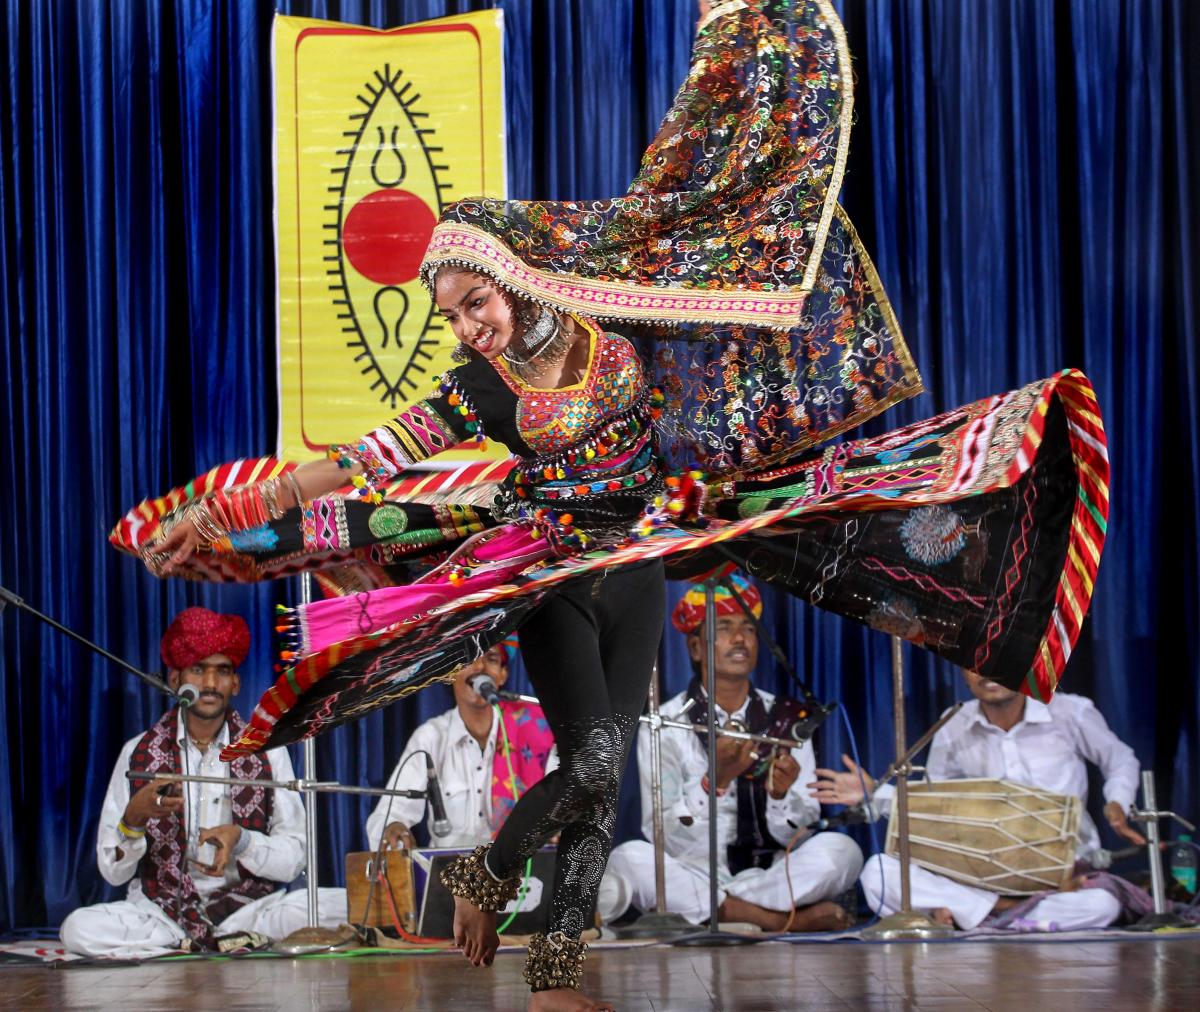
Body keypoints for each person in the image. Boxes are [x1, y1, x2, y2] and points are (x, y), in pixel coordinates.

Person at [111, 3, 1111, 1008]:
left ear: (507, 270)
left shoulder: (610, 311)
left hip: (635, 559)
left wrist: (735, 46)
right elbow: (369, 458)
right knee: (589, 763)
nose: (469, 326)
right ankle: (522, 917)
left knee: (600, 774)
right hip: (547, 570)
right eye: (452, 315)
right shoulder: (477, 387)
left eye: (476, 303)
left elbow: (683, 188)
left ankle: (544, 958)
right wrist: (243, 508)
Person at [59, 607, 345, 958]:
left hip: (251, 910)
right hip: (162, 913)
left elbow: (295, 859)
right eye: (198, 669)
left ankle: (195, 945)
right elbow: (112, 874)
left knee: (344, 904)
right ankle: (197, 941)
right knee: (78, 929)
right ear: (176, 679)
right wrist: (132, 820)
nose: (210, 684)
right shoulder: (137, 754)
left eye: (222, 671)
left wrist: (242, 842)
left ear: (235, 683)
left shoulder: (267, 751)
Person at [603, 573, 862, 931]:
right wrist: (715, 781)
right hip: (693, 872)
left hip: (770, 875)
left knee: (842, 851)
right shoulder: (664, 724)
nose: (739, 639)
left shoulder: (789, 720)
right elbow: (660, 832)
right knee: (628, 859)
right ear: (696, 647)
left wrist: (780, 796)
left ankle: (722, 912)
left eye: (749, 629)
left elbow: (801, 829)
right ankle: (779, 920)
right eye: (723, 627)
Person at [810, 669, 1144, 932]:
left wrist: (1116, 803)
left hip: (1062, 872)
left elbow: (1121, 759)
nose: (989, 672)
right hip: (979, 875)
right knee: (878, 873)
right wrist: (877, 795)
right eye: (976, 662)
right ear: (962, 672)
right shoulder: (954, 724)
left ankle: (972, 915)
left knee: (1103, 904)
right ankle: (1007, 912)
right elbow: (933, 808)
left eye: (1001, 659)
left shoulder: (1070, 711)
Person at [366, 641, 554, 851]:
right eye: (468, 659)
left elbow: (563, 802)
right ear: (450, 674)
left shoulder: (534, 731)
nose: (479, 667)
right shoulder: (431, 738)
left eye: (490, 658)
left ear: (503, 674)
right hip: (448, 877)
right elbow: (387, 815)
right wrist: (393, 827)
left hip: (519, 874)